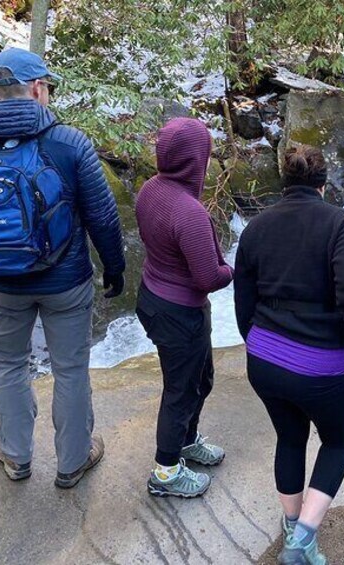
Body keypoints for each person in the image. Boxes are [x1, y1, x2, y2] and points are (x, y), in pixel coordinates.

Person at [0, 48, 126, 487]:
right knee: (69, 368)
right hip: (66, 282)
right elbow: (103, 216)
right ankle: (72, 462)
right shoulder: (70, 143)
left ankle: (16, 455)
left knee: (9, 365)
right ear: (39, 89)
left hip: (1, 285)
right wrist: (116, 267)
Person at [234, 146, 344, 565]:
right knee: (337, 438)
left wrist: (256, 339)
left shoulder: (257, 227)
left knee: (290, 436)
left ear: (285, 182)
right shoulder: (342, 224)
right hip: (321, 365)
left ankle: (291, 522)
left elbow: (244, 296)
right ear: (322, 184)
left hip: (263, 357)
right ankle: (301, 541)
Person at [135, 117, 233, 499]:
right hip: (180, 313)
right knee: (180, 391)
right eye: (206, 155)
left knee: (199, 380)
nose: (208, 163)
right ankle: (166, 472)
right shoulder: (189, 212)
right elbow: (210, 277)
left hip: (154, 298)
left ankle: (188, 441)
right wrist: (235, 270)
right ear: (195, 160)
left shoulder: (151, 189)